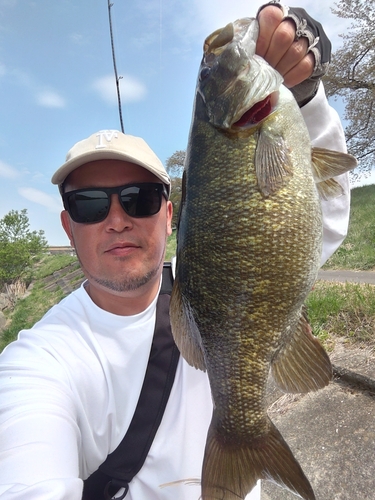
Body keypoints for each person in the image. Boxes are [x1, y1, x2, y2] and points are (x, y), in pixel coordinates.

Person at [0, 3, 351, 500]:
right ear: (67, 226)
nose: (117, 218)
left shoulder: (202, 284)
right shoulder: (39, 360)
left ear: (170, 216)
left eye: (140, 198)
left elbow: (323, 222)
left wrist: (307, 96)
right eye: (89, 204)